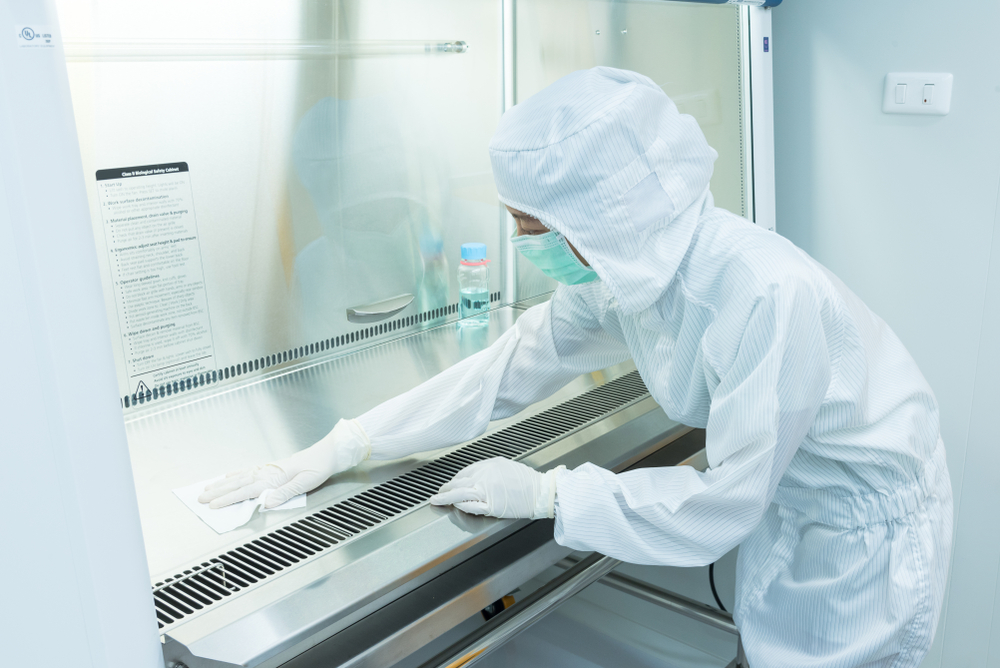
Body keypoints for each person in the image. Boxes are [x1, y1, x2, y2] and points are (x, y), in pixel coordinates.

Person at [200, 67, 953, 668]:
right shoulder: (631, 275)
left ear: (605, 214)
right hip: (791, 505)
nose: (526, 242)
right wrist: (351, 443)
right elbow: (508, 366)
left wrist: (550, 494)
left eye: (533, 226)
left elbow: (720, 507)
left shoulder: (762, 295)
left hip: (863, 533)